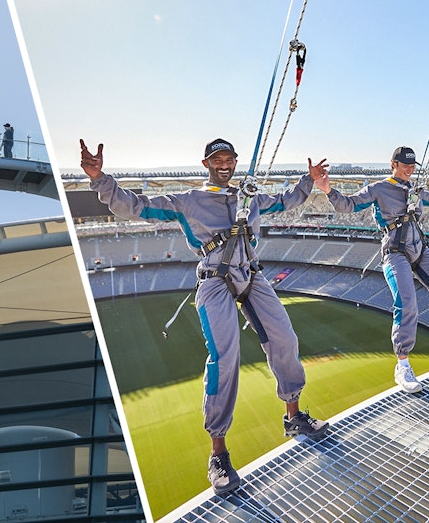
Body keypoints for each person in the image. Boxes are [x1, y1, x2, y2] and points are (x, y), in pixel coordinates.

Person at [80, 137, 331, 496]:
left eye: (229, 158)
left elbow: (286, 199)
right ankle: (218, 453)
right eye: (218, 159)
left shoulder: (249, 196)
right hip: (214, 280)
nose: (224, 164)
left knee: (285, 339)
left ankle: (294, 417)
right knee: (226, 358)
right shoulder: (188, 200)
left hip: (252, 274)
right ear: (206, 163)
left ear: (235, 162)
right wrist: (100, 178)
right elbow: (135, 206)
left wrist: (308, 180)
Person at [314, 145, 429, 393]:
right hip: (395, 252)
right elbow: (349, 205)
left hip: (420, 249)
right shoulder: (379, 188)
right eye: (404, 166)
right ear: (393, 164)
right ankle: (403, 366)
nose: (409, 170)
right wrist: (328, 190)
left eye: (412, 167)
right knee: (406, 304)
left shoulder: (414, 189)